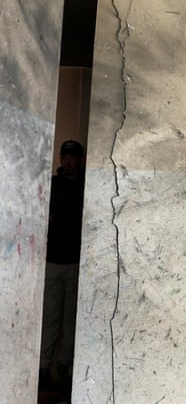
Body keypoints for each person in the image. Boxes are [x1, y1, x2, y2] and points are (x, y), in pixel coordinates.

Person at [40, 139, 86, 389]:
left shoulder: (85, 185)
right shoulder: (53, 184)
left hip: (77, 262)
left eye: (72, 157)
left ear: (79, 159)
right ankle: (44, 366)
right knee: (50, 317)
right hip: (52, 260)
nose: (68, 161)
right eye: (64, 156)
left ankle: (65, 367)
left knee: (71, 319)